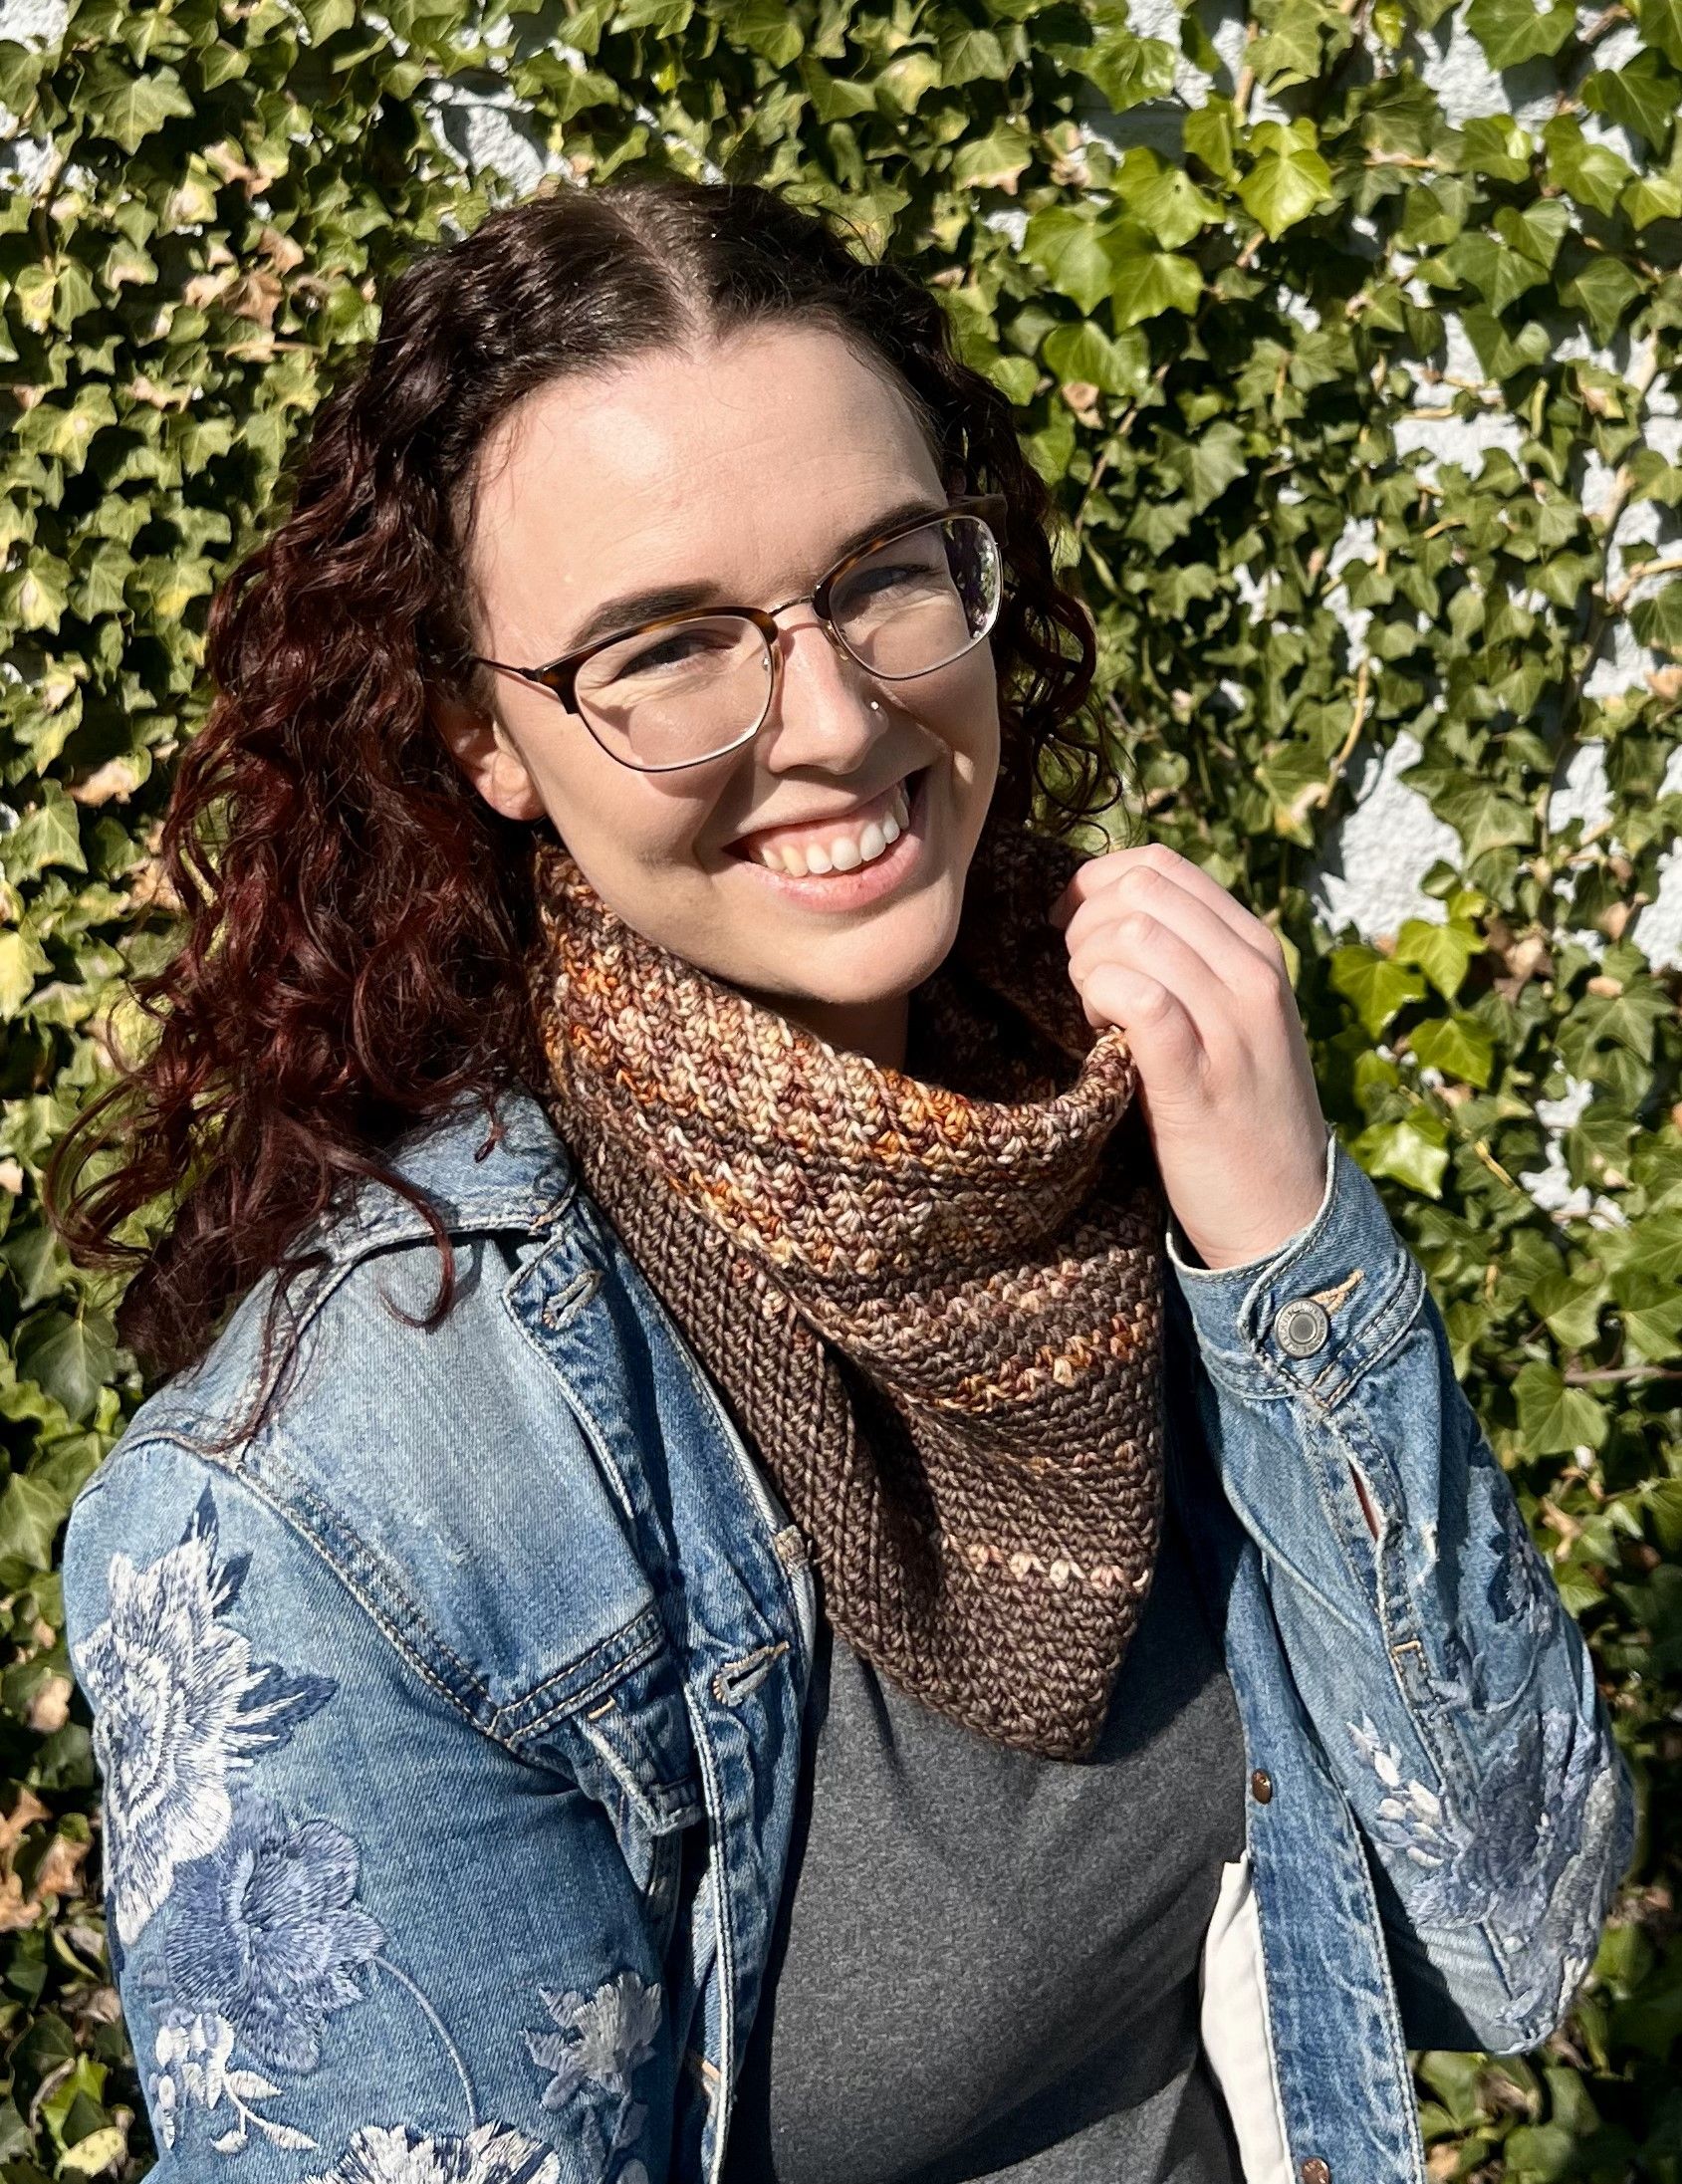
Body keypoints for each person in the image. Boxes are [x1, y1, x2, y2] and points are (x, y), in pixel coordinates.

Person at [49, 170, 1636, 2184]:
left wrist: (1285, 1246)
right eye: (664, 645)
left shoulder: (1122, 1133)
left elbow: (1516, 1927)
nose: (831, 714)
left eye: (882, 574)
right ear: (482, 736)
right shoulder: (347, 1504)